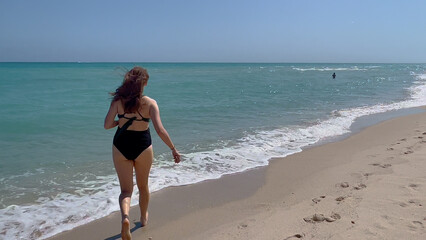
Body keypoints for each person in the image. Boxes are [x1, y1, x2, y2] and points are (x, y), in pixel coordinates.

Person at [104, 66, 181, 240]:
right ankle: (144, 218)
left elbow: (107, 125)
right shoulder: (151, 103)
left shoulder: (118, 101)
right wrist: (173, 149)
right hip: (143, 146)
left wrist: (120, 121)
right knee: (143, 186)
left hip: (120, 145)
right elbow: (160, 130)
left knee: (125, 191)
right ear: (144, 83)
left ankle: (125, 218)